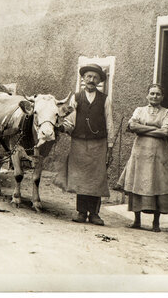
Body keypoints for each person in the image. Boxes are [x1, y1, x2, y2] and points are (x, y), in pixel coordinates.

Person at [116, 83, 168, 232]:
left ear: (162, 97)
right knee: (138, 181)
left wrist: (143, 129)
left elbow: (166, 132)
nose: (154, 96)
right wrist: (155, 129)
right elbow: (132, 126)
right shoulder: (139, 110)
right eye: (152, 93)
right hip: (140, 153)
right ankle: (137, 221)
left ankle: (156, 223)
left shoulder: (167, 112)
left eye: (158, 94)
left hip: (159, 153)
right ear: (147, 95)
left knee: (157, 182)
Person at [60, 63, 114, 226]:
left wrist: (110, 146)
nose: (91, 80)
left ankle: (95, 214)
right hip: (79, 142)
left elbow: (109, 122)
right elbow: (70, 120)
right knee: (81, 178)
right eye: (88, 77)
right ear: (83, 79)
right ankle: (81, 212)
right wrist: (64, 126)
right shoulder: (76, 98)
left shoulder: (105, 99)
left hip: (99, 143)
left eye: (95, 77)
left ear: (99, 81)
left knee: (96, 178)